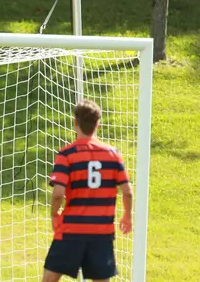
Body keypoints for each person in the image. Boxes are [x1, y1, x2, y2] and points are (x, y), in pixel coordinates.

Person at [42, 99, 133, 282]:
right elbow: (128, 192)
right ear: (98, 124)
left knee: (49, 279)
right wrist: (127, 216)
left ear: (75, 122)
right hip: (101, 232)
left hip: (70, 230)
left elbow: (58, 194)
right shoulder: (113, 154)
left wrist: (54, 214)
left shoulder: (67, 154)